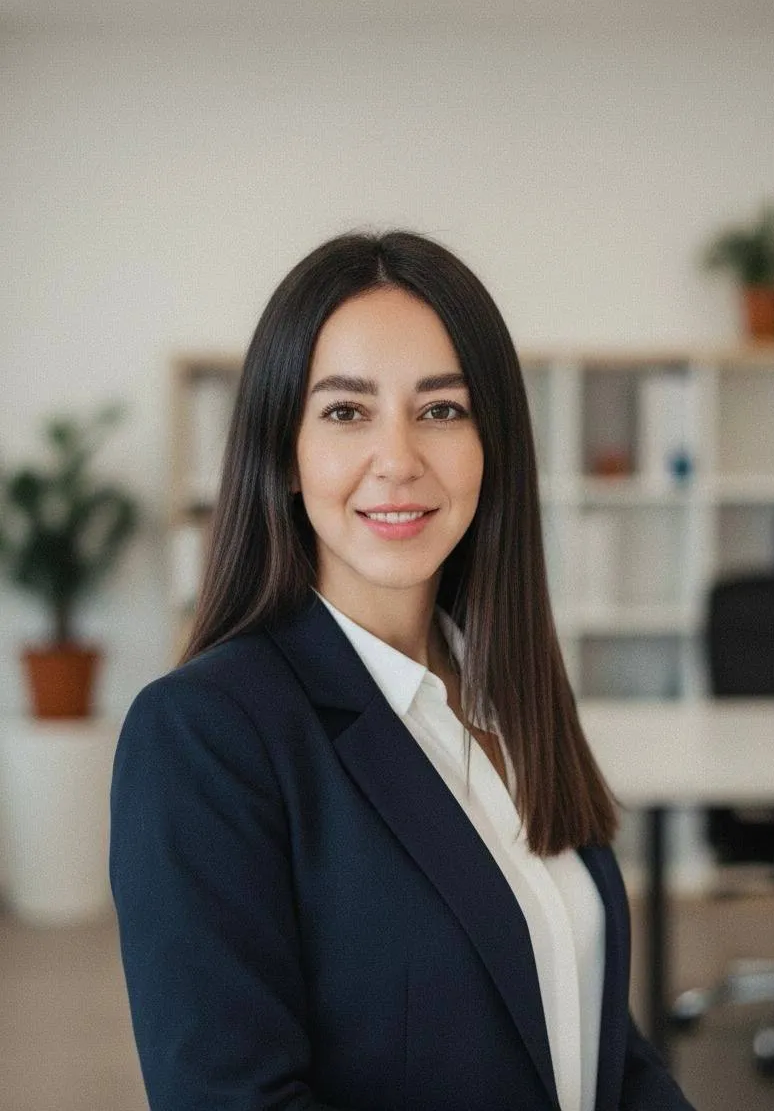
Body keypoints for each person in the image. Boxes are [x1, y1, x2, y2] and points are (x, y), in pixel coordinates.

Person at [110, 230, 695, 1111]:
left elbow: (592, 1025)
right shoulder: (205, 735)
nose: (399, 459)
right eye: (347, 412)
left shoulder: (509, 691)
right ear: (285, 454)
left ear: (492, 445)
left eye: (443, 410)